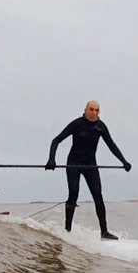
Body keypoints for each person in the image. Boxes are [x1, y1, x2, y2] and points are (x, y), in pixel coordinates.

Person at [46, 100, 131, 239]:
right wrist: (51, 159)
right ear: (85, 110)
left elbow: (112, 146)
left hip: (90, 164)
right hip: (73, 163)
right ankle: (67, 230)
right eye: (91, 109)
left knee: (98, 195)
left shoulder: (100, 127)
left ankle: (104, 232)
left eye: (97, 110)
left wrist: (124, 161)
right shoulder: (77, 124)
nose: (94, 113)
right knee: (73, 193)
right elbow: (56, 140)